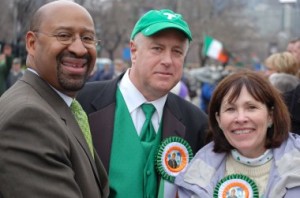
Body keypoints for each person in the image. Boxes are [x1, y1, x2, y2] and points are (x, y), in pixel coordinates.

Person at [77, 9, 208, 198]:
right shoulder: (81, 103)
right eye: (157, 49)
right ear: (134, 51)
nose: (167, 61)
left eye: (177, 52)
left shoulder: (197, 123)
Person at [0, 1, 109, 197]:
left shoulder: (56, 105)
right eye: (64, 36)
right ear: (32, 43)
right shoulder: (29, 118)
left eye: (87, 38)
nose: (80, 49)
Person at [175, 70, 300, 197]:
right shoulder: (196, 174)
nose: (241, 118)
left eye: (251, 107)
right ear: (218, 119)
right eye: (230, 109)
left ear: (270, 116)